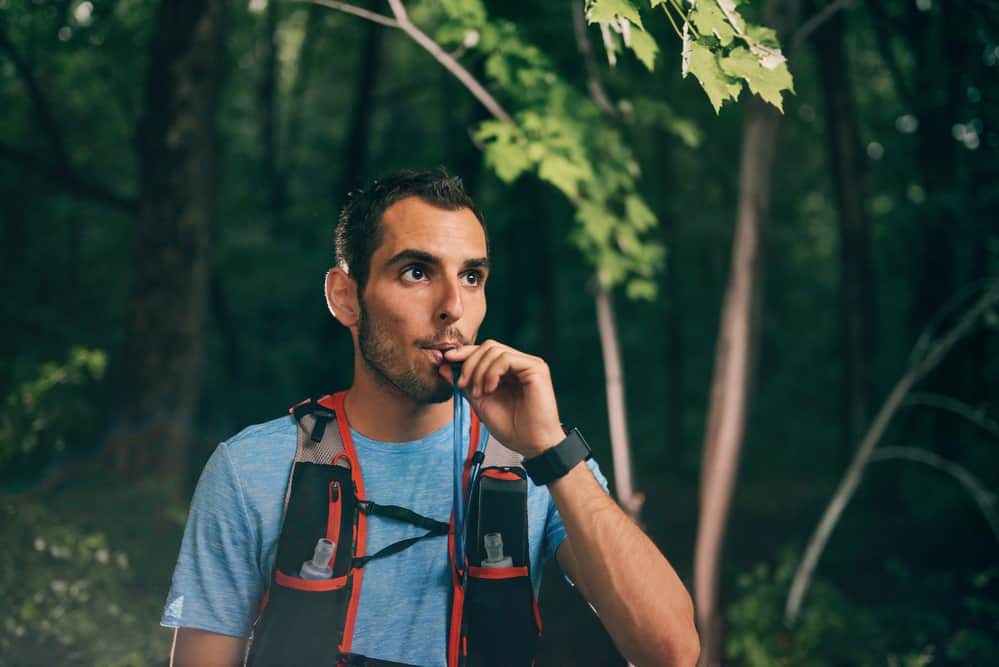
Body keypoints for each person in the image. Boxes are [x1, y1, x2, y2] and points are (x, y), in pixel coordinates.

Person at [162, 169, 699, 666]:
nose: (453, 308)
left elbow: (671, 652)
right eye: (417, 272)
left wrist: (549, 449)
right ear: (346, 298)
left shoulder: (538, 464)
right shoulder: (250, 468)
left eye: (471, 276)